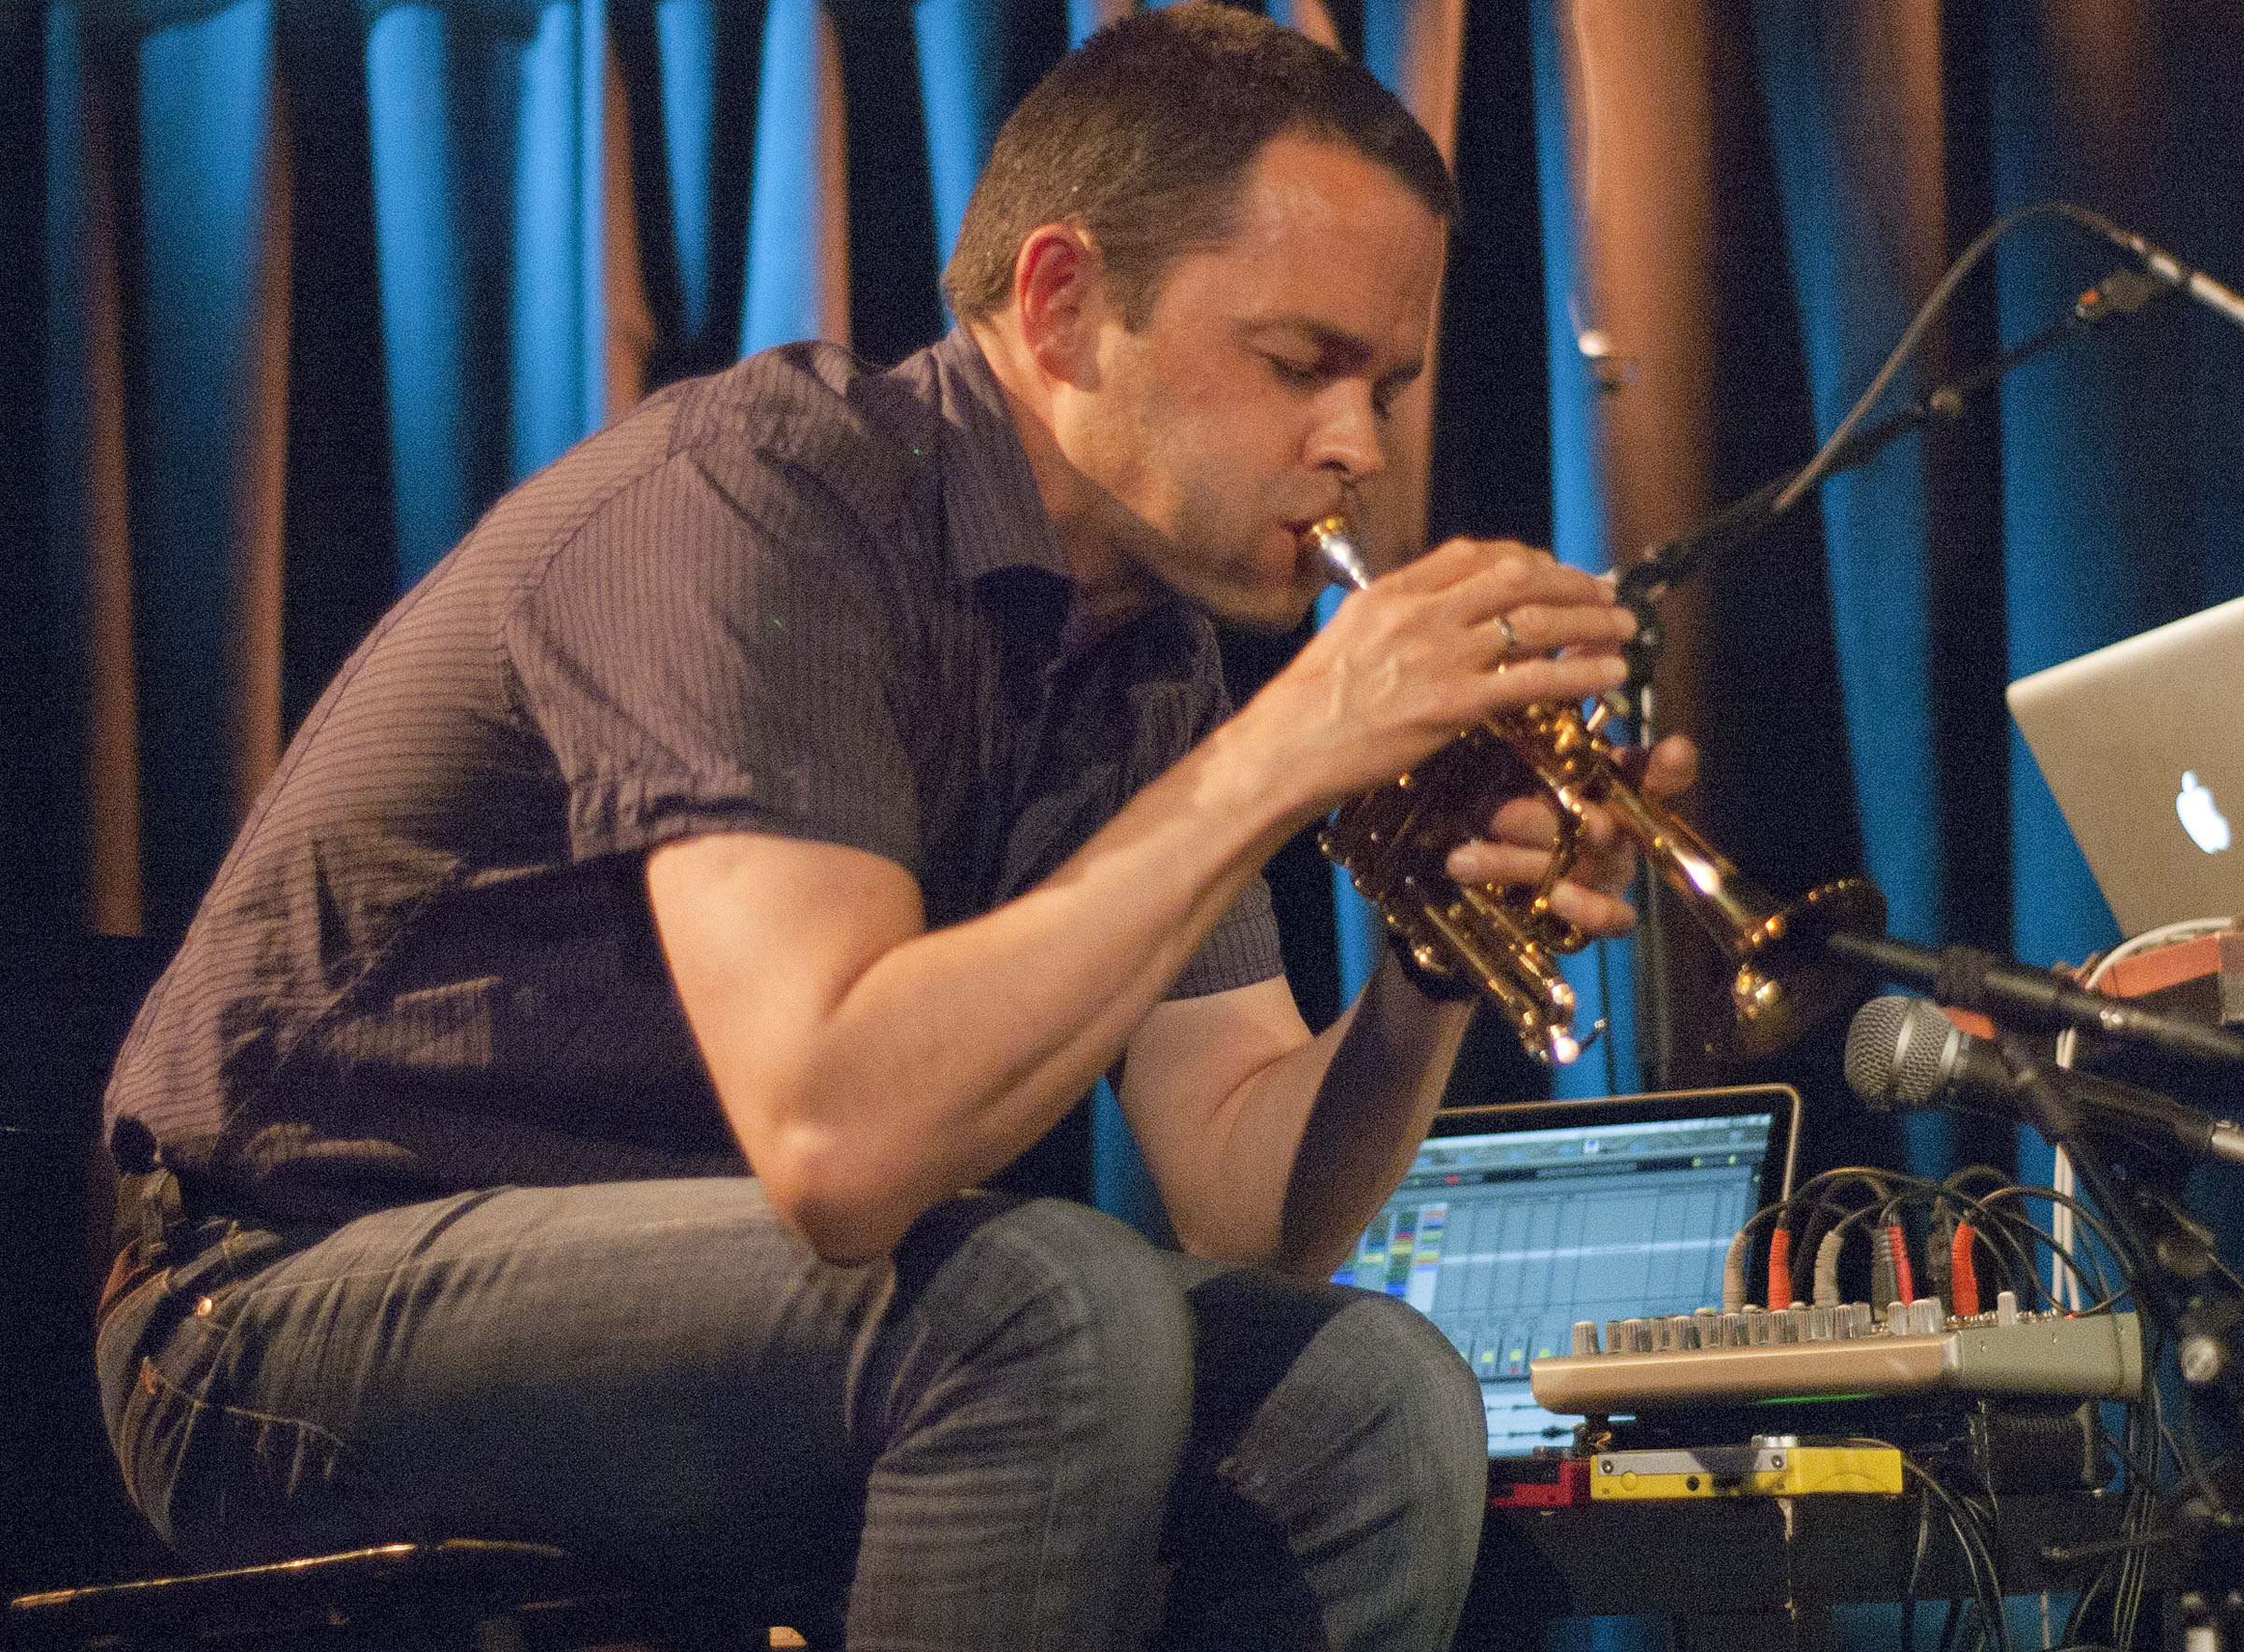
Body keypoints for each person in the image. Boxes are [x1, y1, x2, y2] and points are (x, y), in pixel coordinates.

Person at [94, 8, 1694, 1648]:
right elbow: (839, 1145)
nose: (1358, 444)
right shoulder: (763, 505)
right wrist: (1289, 749)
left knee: (1367, 1391)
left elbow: (1254, 1207)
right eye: (1299, 365)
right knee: (1045, 1308)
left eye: (1388, 383)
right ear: (1063, 306)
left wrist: (1428, 961)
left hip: (700, 1308)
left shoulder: (1145, 654)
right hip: (269, 1312)